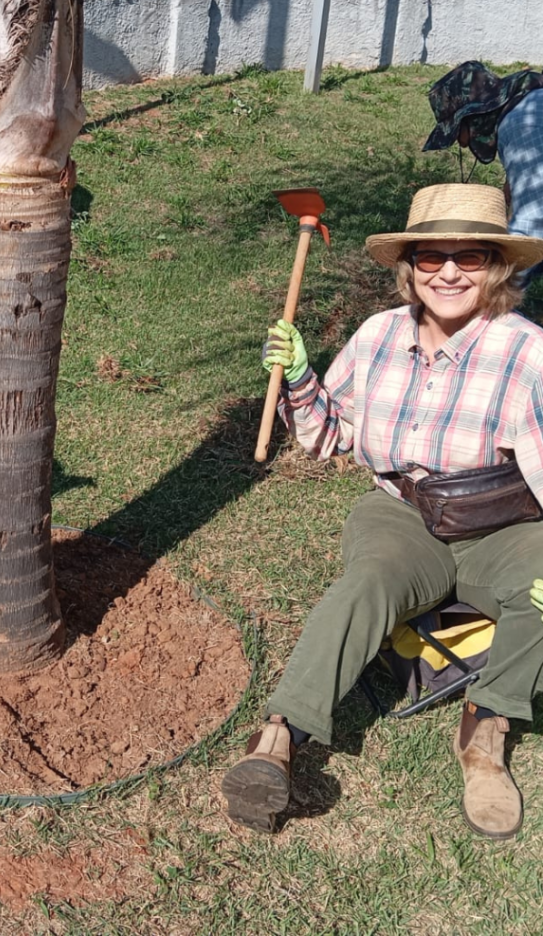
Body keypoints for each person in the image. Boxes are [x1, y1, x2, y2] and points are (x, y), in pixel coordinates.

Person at [221, 184, 543, 841]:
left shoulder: (527, 350)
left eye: (470, 256)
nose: (448, 272)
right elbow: (329, 435)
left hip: (504, 524)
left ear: (498, 266)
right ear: (410, 266)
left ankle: (487, 730)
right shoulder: (377, 337)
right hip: (403, 513)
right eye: (431, 256)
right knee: (366, 585)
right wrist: (302, 381)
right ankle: (280, 736)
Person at [424, 60, 543, 282]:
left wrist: (492, 289)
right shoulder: (530, 106)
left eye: (456, 131)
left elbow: (535, 221)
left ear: (472, 116)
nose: (460, 143)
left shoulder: (521, 124)